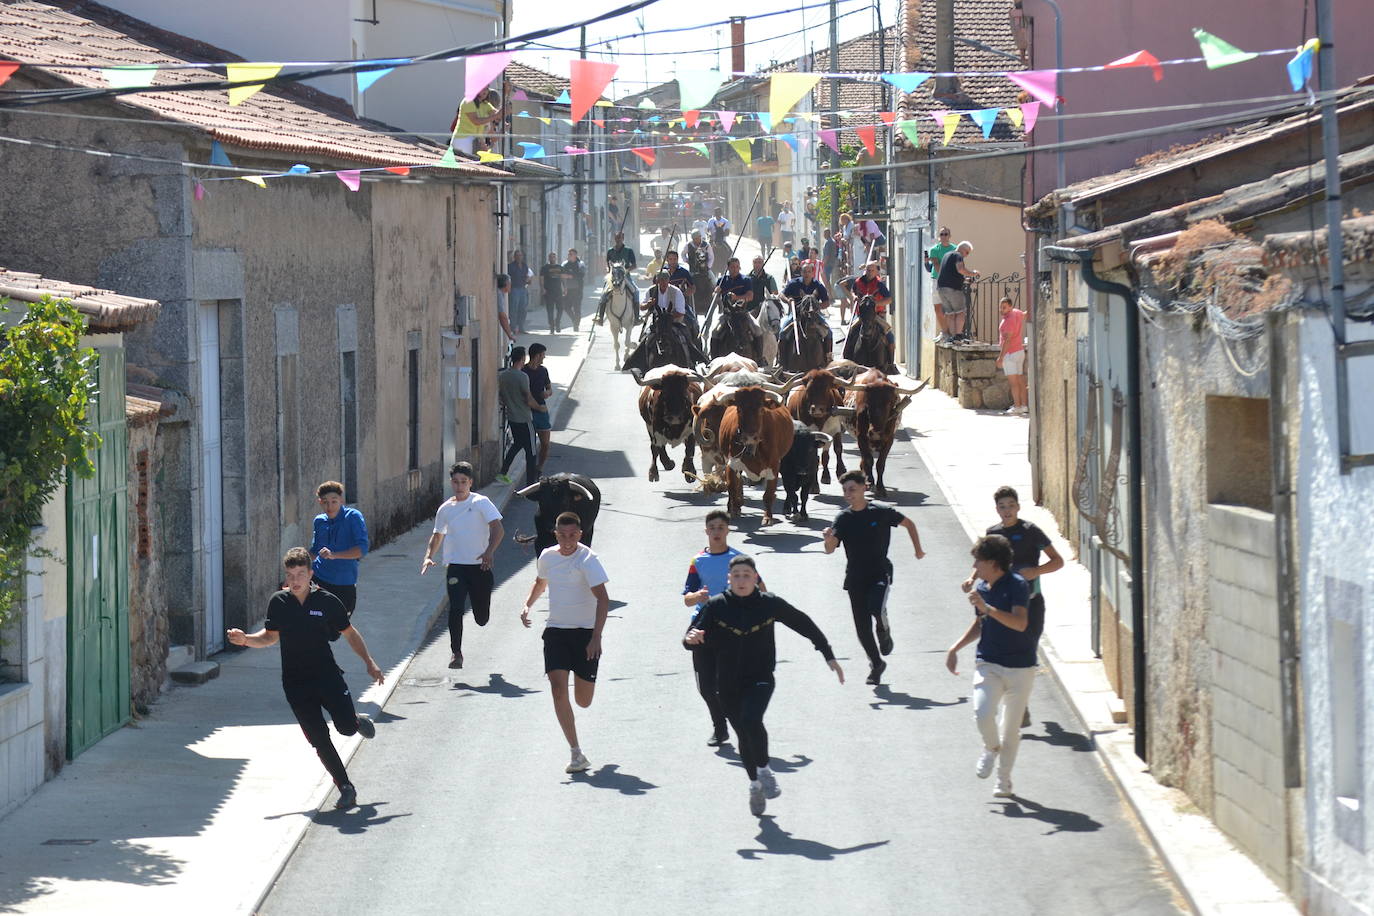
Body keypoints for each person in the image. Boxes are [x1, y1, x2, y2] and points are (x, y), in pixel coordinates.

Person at [684, 555, 843, 816]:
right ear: (729, 579)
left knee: (751, 719)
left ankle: (765, 769)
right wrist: (692, 638)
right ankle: (755, 783)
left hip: (760, 677)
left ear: (756, 579)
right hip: (726, 682)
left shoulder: (769, 604)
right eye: (736, 575)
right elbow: (690, 636)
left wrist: (828, 653)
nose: (742, 580)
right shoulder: (715, 606)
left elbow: (803, 623)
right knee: (743, 737)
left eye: (747, 575)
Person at [227, 548, 383, 810]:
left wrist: (369, 662)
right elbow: (269, 637)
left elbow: (350, 633)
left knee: (344, 728)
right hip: (296, 683)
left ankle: (355, 722)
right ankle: (346, 787)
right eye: (290, 575)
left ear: (311, 574)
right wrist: (246, 640)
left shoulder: (328, 602)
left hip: (328, 677)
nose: (295, 580)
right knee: (319, 738)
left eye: (301, 574)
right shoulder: (279, 602)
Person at [962, 486, 1063, 728]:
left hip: (1031, 601)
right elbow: (983, 559)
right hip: (1000, 603)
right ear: (996, 509)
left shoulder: (1031, 531)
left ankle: (1019, 701)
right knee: (1006, 651)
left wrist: (1036, 571)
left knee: (1028, 649)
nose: (1006, 511)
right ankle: (1020, 706)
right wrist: (972, 577)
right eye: (1002, 507)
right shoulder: (993, 534)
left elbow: (1057, 560)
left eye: (1010, 505)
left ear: (1018, 506)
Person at [521, 512, 610, 775]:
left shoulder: (588, 560)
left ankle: (584, 692)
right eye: (563, 535)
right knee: (558, 690)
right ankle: (576, 753)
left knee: (583, 701)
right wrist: (527, 605)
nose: (568, 540)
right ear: (555, 534)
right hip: (556, 632)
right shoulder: (548, 556)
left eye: (573, 535)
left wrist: (596, 637)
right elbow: (541, 582)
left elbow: (603, 600)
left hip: (585, 636)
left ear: (580, 535)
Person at [946, 535, 1035, 798]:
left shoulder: (1017, 585)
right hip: (989, 662)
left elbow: (1020, 623)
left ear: (994, 563)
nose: (975, 565)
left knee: (1010, 729)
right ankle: (990, 747)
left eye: (979, 560)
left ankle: (1004, 780)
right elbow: (981, 624)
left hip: (1021, 667)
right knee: (983, 713)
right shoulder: (982, 587)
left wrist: (988, 608)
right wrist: (955, 648)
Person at [823, 470, 925, 685]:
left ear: (864, 488)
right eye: (845, 490)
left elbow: (910, 524)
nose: (848, 494)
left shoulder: (881, 512)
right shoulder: (843, 518)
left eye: (852, 489)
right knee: (861, 626)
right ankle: (876, 663)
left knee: (876, 607)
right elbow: (830, 550)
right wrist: (828, 539)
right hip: (855, 577)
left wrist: (918, 550)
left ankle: (883, 628)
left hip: (880, 571)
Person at [421, 461, 504, 670]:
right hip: (456, 566)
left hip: (480, 567)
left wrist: (488, 552)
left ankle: (481, 614)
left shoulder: (481, 502)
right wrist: (428, 555)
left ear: (471, 482)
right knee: (455, 608)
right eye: (456, 482)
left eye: (464, 482)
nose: (459, 486)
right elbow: (437, 534)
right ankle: (456, 653)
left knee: (481, 618)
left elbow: (498, 530)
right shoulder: (445, 509)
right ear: (451, 482)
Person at [681, 510, 753, 746]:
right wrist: (698, 596)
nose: (716, 532)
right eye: (712, 528)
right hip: (702, 625)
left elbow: (759, 589)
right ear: (706, 531)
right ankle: (720, 727)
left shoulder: (739, 559)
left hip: (731, 627)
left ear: (728, 530)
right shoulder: (697, 561)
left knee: (727, 684)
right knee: (706, 687)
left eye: (721, 527)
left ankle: (732, 726)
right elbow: (687, 598)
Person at [309, 481, 369, 618]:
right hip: (318, 580)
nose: (329, 506)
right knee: (315, 623)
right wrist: (298, 564)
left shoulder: (353, 517)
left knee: (337, 629)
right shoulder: (319, 521)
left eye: (334, 501)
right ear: (320, 502)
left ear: (341, 500)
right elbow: (315, 550)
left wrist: (334, 555)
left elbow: (362, 549)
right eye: (325, 502)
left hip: (344, 583)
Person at [497, 346, 548, 487]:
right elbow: (528, 398)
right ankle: (530, 483)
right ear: (522, 358)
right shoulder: (522, 377)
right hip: (525, 418)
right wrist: (540, 408)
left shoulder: (503, 376)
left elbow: (501, 397)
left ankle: (502, 473)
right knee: (531, 452)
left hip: (512, 418)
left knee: (517, 445)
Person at [936, 240, 979, 342]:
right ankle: (958, 335)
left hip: (941, 288)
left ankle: (952, 337)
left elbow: (951, 273)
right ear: (962, 249)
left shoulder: (947, 255)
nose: (966, 255)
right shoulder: (958, 255)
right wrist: (973, 273)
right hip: (953, 289)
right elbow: (960, 269)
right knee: (960, 312)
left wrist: (964, 279)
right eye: (967, 252)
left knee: (950, 313)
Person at [523, 342, 553, 471]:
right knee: (530, 445)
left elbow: (549, 388)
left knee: (545, 444)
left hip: (541, 409)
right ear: (536, 356)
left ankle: (539, 468)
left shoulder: (543, 370)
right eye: (543, 355)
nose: (544, 357)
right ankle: (531, 468)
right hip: (527, 410)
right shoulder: (523, 371)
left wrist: (547, 393)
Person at [997, 297, 1028, 415]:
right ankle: (1024, 405)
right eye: (1000, 307)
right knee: (1020, 380)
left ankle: (1017, 406)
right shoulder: (1016, 313)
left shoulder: (1008, 320)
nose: (1001, 310)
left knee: (1013, 383)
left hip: (1010, 354)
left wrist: (1001, 357)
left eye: (1004, 307)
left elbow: (1007, 341)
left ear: (1010, 306)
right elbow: (1025, 314)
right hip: (1019, 351)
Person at [925, 227, 957, 339]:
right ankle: (945, 332)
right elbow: (937, 266)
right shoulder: (934, 250)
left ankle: (952, 333)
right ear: (939, 236)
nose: (944, 236)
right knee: (938, 308)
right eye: (942, 234)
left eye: (946, 234)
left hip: (950, 281)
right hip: (937, 280)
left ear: (949, 236)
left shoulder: (955, 249)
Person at [449, 86, 500, 153]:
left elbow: (496, 116)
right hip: (462, 139)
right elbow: (476, 121)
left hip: (475, 140)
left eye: (487, 88)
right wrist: (496, 115)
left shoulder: (485, 104)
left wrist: (503, 111)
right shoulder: (468, 101)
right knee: (464, 162)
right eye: (482, 88)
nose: (485, 91)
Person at [561, 249, 586, 333]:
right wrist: (564, 287)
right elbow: (561, 275)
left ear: (575, 255)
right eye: (568, 254)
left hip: (577, 289)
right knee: (566, 307)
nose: (569, 255)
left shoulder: (580, 264)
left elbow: (582, 275)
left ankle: (576, 326)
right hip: (568, 289)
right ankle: (574, 320)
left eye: (571, 254)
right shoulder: (564, 264)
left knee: (577, 308)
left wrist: (570, 276)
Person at [507, 251, 532, 335]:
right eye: (517, 255)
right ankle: (513, 327)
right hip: (514, 289)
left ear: (522, 256)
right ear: (514, 257)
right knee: (514, 309)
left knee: (523, 309)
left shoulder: (525, 266)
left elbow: (527, 275)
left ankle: (521, 327)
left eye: (520, 255)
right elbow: (508, 278)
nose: (519, 257)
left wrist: (528, 280)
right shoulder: (510, 266)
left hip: (523, 289)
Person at [540, 252, 565, 333]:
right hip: (549, 291)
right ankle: (551, 327)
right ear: (549, 258)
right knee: (550, 310)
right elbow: (541, 278)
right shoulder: (544, 268)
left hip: (558, 291)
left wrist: (565, 288)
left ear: (556, 258)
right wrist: (542, 288)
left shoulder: (560, 267)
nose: (552, 258)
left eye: (554, 257)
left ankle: (557, 322)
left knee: (560, 309)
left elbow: (563, 278)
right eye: (551, 257)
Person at [495, 273, 516, 342]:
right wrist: (509, 335)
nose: (511, 286)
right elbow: (502, 316)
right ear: (506, 284)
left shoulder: (501, 293)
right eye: (510, 283)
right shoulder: (499, 295)